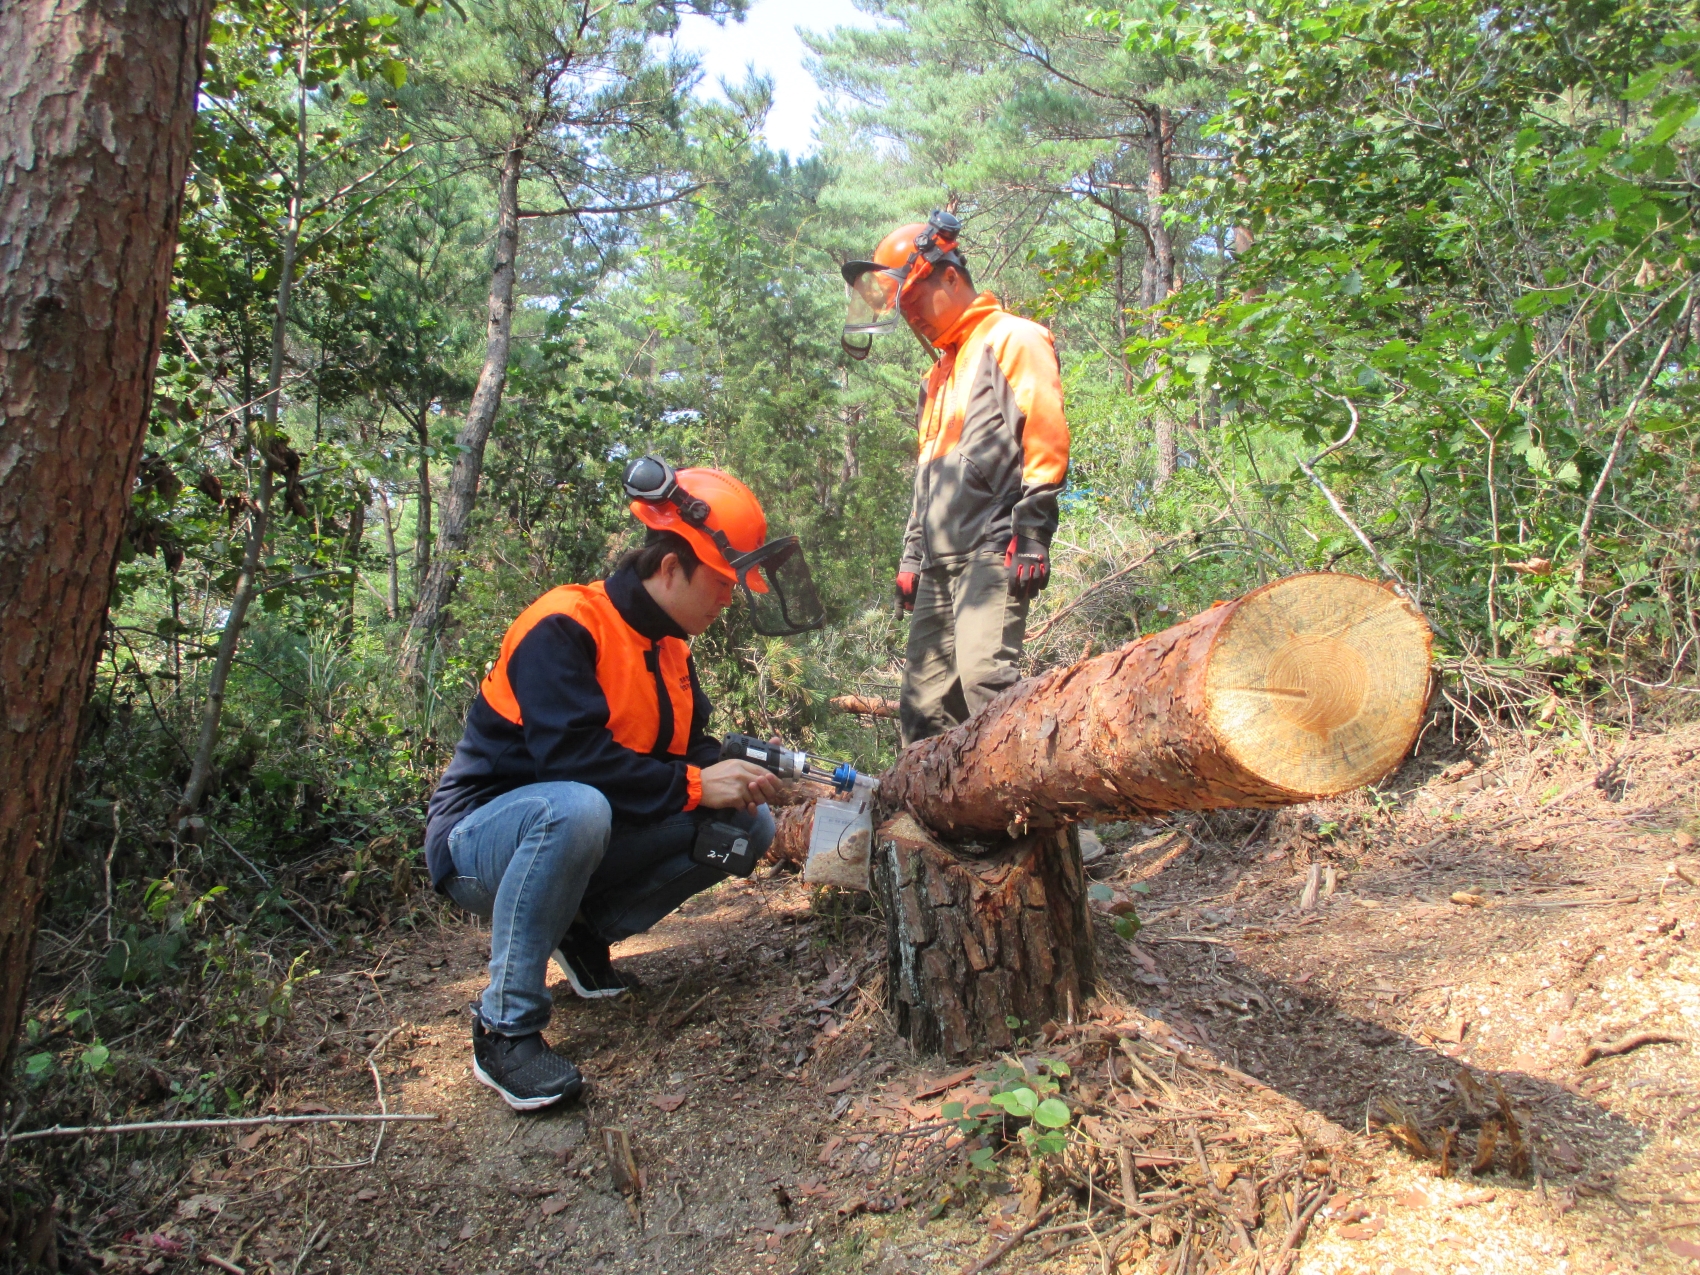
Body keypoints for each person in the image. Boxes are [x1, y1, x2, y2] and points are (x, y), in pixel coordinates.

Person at [423, 460, 824, 1111]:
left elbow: (685, 751)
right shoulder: (565, 624)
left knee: (746, 830)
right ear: (669, 568)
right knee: (576, 808)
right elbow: (573, 762)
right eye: (721, 582)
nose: (728, 599)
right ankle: (505, 1026)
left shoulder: (671, 649)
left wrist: (744, 773)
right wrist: (697, 784)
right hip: (479, 844)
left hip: (577, 831)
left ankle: (583, 933)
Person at [841, 210, 1070, 745]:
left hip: (990, 547)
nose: (913, 319)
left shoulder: (1012, 338)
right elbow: (930, 475)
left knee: (985, 684)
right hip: (938, 562)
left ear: (949, 276)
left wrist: (1033, 532)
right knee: (921, 709)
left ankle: (1030, 799)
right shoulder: (938, 376)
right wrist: (911, 557)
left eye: (915, 302)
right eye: (904, 310)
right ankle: (929, 802)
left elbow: (1045, 431)